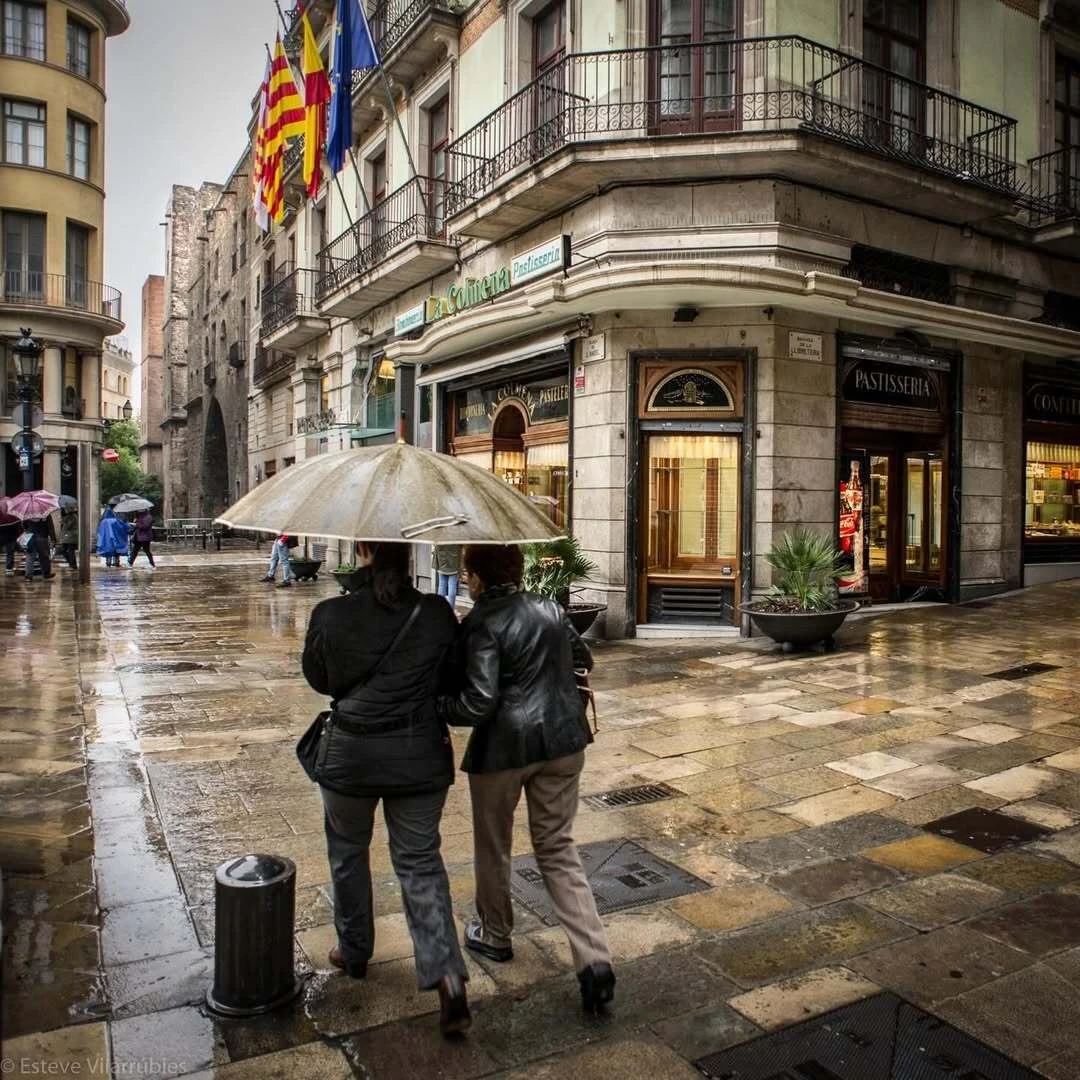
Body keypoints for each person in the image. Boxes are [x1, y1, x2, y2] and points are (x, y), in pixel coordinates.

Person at [301, 541, 471, 1037]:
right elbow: (452, 679)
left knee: (347, 853)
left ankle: (354, 950)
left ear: (362, 549)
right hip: (418, 756)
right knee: (420, 862)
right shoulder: (435, 613)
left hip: (350, 757)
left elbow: (319, 680)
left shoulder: (330, 614)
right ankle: (446, 975)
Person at [438, 544, 615, 1013]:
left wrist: (439, 707)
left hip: (503, 751)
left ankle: (494, 933)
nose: (465, 580)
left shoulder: (480, 623)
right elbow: (583, 659)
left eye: (467, 573)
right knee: (558, 848)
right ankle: (594, 959)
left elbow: (477, 701)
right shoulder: (550, 608)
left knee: (493, 845)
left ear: (479, 577)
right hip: (563, 741)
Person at [25, 514, 55, 580]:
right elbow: (50, 527)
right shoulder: (46, 513)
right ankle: (46, 573)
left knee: (30, 556)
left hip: (31, 537)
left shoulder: (27, 514)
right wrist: (53, 539)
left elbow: (24, 526)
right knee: (44, 557)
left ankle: (28, 575)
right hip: (43, 537)